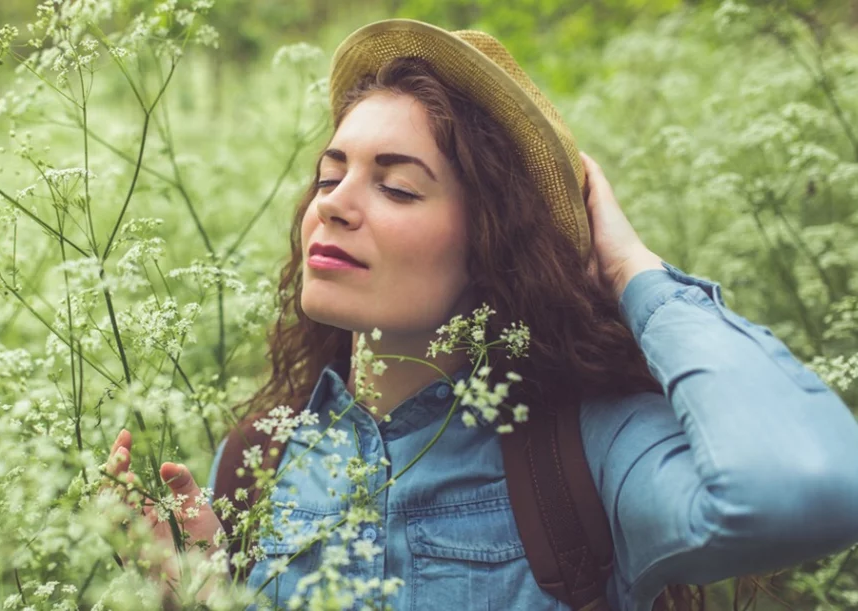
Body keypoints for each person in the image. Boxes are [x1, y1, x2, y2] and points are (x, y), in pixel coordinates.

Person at [106, 19, 858, 611]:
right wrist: (208, 594)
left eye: (396, 187)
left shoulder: (578, 450)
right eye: (330, 174)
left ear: (495, 244)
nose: (332, 203)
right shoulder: (260, 457)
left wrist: (635, 270)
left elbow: (805, 487)